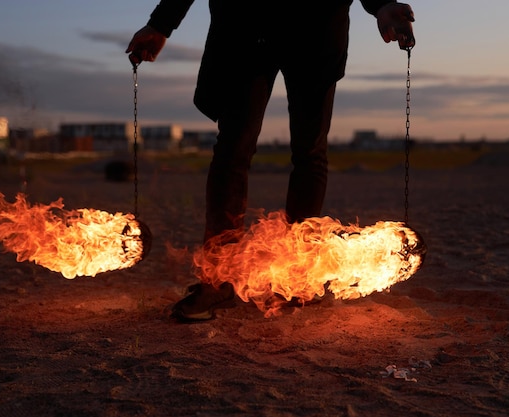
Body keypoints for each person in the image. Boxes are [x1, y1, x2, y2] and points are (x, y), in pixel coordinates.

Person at [127, 0, 415, 322]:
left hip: (315, 28)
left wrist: (381, 5)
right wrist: (161, 23)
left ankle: (298, 276)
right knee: (232, 151)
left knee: (309, 153)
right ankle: (220, 279)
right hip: (246, 27)